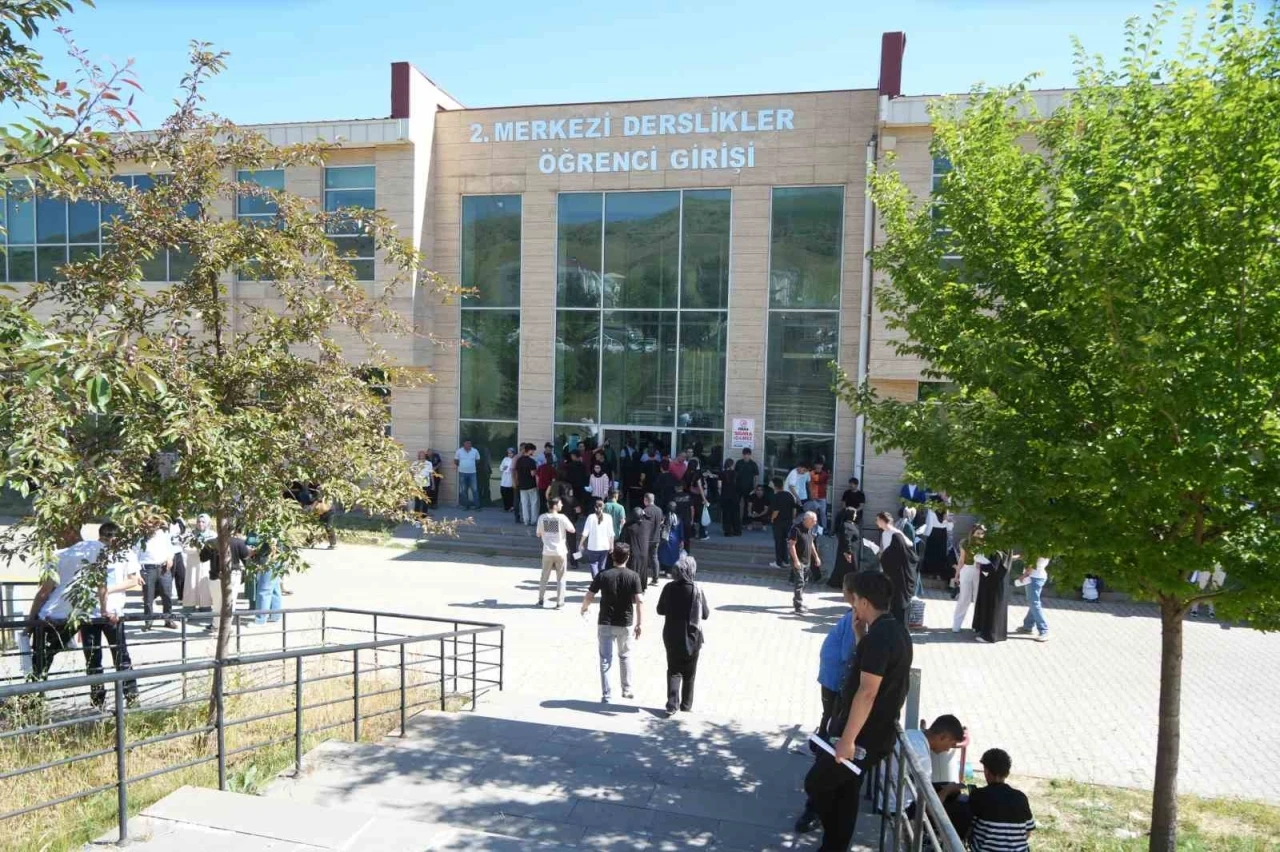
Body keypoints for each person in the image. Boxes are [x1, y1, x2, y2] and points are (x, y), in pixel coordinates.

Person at [803, 571, 913, 851]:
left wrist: (848, 740)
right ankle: (834, 845)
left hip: (864, 736)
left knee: (816, 783)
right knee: (846, 790)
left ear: (864, 602)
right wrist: (860, 635)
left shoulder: (881, 637)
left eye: (855, 601)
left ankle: (835, 841)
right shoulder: (894, 630)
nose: (853, 606)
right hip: (873, 732)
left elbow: (868, 691)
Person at [25, 528, 104, 681]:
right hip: (78, 615)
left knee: (41, 660)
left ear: (69, 532)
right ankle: (98, 694)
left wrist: (30, 622)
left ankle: (34, 691)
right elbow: (102, 585)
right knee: (92, 657)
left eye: (57, 533)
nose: (55, 538)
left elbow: (44, 592)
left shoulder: (58, 556)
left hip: (52, 615)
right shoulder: (97, 550)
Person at [83, 522, 143, 707]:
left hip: (113, 610)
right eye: (105, 540)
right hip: (90, 612)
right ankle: (98, 699)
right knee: (94, 658)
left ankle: (130, 696)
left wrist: (107, 590)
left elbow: (133, 580)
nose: (108, 543)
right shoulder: (89, 550)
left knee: (119, 656)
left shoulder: (125, 553)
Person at [581, 542, 643, 704]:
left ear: (612, 556)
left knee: (605, 659)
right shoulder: (633, 576)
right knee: (625, 656)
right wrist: (639, 623)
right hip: (625, 622)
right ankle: (627, 689)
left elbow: (589, 595)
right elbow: (640, 600)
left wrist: (584, 608)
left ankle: (607, 695)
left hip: (605, 621)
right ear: (628, 557)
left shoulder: (603, 575)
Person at [656, 554, 709, 716]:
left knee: (673, 670)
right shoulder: (696, 590)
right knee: (690, 673)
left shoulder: (668, 588)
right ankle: (686, 705)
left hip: (671, 635)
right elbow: (705, 614)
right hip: (692, 636)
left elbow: (660, 610)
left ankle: (672, 705)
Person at [817, 572, 863, 740]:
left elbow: (847, 653)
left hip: (835, 676)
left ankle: (822, 744)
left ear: (851, 593)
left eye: (843, 588)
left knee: (830, 714)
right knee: (829, 712)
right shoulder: (852, 614)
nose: (842, 592)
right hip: (832, 674)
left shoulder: (854, 618)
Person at [967, 748, 1036, 852]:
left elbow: (968, 829)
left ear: (987, 772)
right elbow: (1028, 832)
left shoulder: (979, 795)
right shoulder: (1021, 797)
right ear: (1007, 773)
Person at [875, 512, 918, 624]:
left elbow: (909, 543)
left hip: (897, 567)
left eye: (878, 520)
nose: (876, 522)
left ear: (883, 521)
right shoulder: (884, 533)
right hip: (888, 565)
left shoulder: (895, 532)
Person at [536, 496, 574, 608]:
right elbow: (572, 529)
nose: (562, 505)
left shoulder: (542, 517)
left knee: (544, 577)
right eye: (560, 503)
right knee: (561, 578)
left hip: (547, 551)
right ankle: (559, 602)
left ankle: (541, 599)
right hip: (560, 551)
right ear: (555, 506)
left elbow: (538, 534)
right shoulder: (562, 518)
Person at [138, 521, 177, 630]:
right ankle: (148, 621)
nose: (151, 527)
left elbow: (170, 549)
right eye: (149, 524)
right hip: (148, 569)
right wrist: (137, 573)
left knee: (167, 595)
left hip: (163, 568)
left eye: (154, 524)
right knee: (148, 597)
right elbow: (134, 555)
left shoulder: (163, 534)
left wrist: (170, 558)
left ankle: (168, 619)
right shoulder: (140, 538)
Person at [972, 549, 1011, 644]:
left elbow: (993, 567)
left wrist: (981, 565)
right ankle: (998, 634)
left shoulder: (997, 550)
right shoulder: (1007, 548)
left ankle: (989, 636)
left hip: (993, 582)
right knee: (998, 608)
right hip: (1000, 581)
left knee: (992, 608)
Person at [953, 525, 986, 633]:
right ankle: (956, 625)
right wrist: (956, 575)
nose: (980, 535)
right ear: (973, 533)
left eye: (982, 533)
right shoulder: (965, 543)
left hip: (979, 572)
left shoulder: (986, 544)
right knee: (964, 598)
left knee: (978, 598)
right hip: (967, 569)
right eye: (978, 533)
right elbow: (961, 560)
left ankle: (977, 625)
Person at [788, 511, 822, 614]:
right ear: (806, 520)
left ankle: (798, 600)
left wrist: (816, 557)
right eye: (813, 521)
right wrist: (796, 561)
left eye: (815, 521)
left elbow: (811, 544)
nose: (815, 523)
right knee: (800, 582)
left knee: (805, 582)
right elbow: (791, 545)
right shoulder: (796, 529)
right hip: (799, 560)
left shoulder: (810, 529)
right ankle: (798, 606)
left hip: (807, 560)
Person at [1014, 557, 1051, 641]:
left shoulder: (1037, 551)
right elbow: (1028, 556)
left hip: (1033, 578)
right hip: (1038, 576)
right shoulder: (1046, 550)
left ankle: (1044, 631)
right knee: (1033, 603)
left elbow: (1032, 563)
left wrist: (1024, 575)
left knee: (1034, 603)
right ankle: (1028, 626)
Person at [580, 498, 616, 579]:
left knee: (593, 564)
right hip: (605, 546)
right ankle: (600, 581)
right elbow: (611, 533)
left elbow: (585, 532)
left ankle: (596, 580)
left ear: (594, 507)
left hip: (593, 546)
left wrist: (581, 543)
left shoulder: (590, 517)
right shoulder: (608, 517)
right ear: (603, 507)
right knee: (602, 566)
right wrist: (612, 545)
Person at [827, 502, 860, 590]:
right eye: (854, 514)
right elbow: (846, 539)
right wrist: (847, 552)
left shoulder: (852, 525)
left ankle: (842, 583)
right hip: (848, 551)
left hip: (852, 550)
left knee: (844, 568)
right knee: (848, 568)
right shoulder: (846, 526)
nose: (856, 515)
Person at [620, 506, 653, 592]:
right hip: (644, 553)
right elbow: (649, 519)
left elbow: (622, 539)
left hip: (633, 552)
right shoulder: (648, 525)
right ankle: (641, 589)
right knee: (643, 571)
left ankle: (632, 589)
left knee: (632, 571)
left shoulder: (628, 526)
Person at [919, 503, 954, 582]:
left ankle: (934, 573)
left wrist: (926, 533)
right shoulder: (938, 508)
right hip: (938, 532)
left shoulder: (937, 508)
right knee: (936, 553)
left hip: (937, 532)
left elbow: (930, 522)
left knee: (936, 553)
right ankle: (934, 573)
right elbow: (949, 525)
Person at [770, 476, 799, 569]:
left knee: (778, 542)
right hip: (788, 522)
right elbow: (794, 509)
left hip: (778, 522)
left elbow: (776, 511)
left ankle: (779, 562)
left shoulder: (775, 496)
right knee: (786, 542)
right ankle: (786, 561)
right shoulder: (789, 495)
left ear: (774, 485)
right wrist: (793, 518)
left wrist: (772, 519)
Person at [641, 493, 664, 587]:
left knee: (644, 558)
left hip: (646, 538)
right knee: (654, 558)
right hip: (656, 537)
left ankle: (643, 578)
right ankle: (655, 579)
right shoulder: (659, 510)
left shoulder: (645, 510)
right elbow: (662, 521)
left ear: (646, 500)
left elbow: (642, 524)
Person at [658, 501, 684, 577]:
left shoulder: (664, 517)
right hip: (675, 539)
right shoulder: (678, 518)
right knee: (673, 556)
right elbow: (681, 530)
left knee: (663, 555)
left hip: (664, 538)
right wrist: (682, 540)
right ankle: (670, 571)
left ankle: (663, 570)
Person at [515, 444, 539, 527]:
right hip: (531, 485)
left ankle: (526, 520)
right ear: (530, 450)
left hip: (522, 485)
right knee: (534, 503)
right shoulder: (532, 461)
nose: (533, 452)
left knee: (524, 504)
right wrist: (537, 470)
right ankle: (533, 520)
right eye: (533, 450)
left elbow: (517, 473)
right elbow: (533, 474)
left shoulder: (519, 460)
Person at [734, 449, 760, 522]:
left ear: (750, 455)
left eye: (747, 454)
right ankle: (735, 520)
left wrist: (755, 488)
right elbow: (734, 475)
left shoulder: (753, 464)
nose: (746, 456)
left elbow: (756, 477)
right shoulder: (739, 463)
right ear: (743, 455)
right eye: (744, 454)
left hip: (749, 488)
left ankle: (745, 521)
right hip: (738, 487)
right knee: (736, 504)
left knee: (747, 505)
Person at [454, 439, 481, 510]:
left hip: (472, 473)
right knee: (464, 490)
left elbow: (478, 460)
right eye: (467, 443)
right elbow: (456, 461)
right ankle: (466, 506)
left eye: (469, 443)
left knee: (475, 490)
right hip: (462, 473)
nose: (468, 445)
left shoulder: (475, 451)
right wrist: (462, 466)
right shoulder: (459, 451)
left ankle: (477, 506)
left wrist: (470, 465)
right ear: (464, 444)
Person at [719, 458, 742, 537]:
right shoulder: (736, 473)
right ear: (732, 465)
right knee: (735, 513)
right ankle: (737, 530)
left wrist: (720, 494)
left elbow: (719, 486)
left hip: (725, 495)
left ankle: (728, 531)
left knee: (726, 514)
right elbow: (739, 486)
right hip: (734, 496)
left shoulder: (722, 473)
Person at [809, 458, 831, 534]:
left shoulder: (825, 474)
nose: (818, 466)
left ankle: (824, 528)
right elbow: (808, 485)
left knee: (823, 512)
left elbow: (827, 483)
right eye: (817, 464)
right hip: (813, 496)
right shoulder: (811, 473)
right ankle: (814, 528)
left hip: (822, 496)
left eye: (820, 464)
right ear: (815, 465)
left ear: (822, 465)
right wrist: (810, 495)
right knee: (814, 513)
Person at [411, 450, 435, 518]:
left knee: (425, 501)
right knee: (417, 501)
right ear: (418, 456)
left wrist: (433, 484)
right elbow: (412, 473)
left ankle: (424, 516)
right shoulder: (415, 463)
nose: (422, 456)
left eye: (423, 455)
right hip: (417, 484)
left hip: (426, 485)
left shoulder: (429, 463)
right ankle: (416, 516)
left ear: (425, 455)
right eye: (420, 455)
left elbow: (431, 474)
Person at [536, 451, 557, 516]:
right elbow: (553, 480)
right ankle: (548, 516)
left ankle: (541, 516)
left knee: (542, 502)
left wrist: (538, 485)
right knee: (549, 502)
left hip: (541, 487)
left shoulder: (541, 467)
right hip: (549, 488)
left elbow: (537, 477)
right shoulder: (552, 468)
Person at [499, 447, 517, 514]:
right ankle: (506, 506)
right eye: (508, 453)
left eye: (511, 453)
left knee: (510, 494)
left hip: (510, 478)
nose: (510, 454)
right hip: (504, 478)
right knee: (503, 492)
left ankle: (511, 506)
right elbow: (500, 467)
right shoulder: (505, 459)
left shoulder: (515, 460)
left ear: (513, 453)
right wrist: (503, 468)